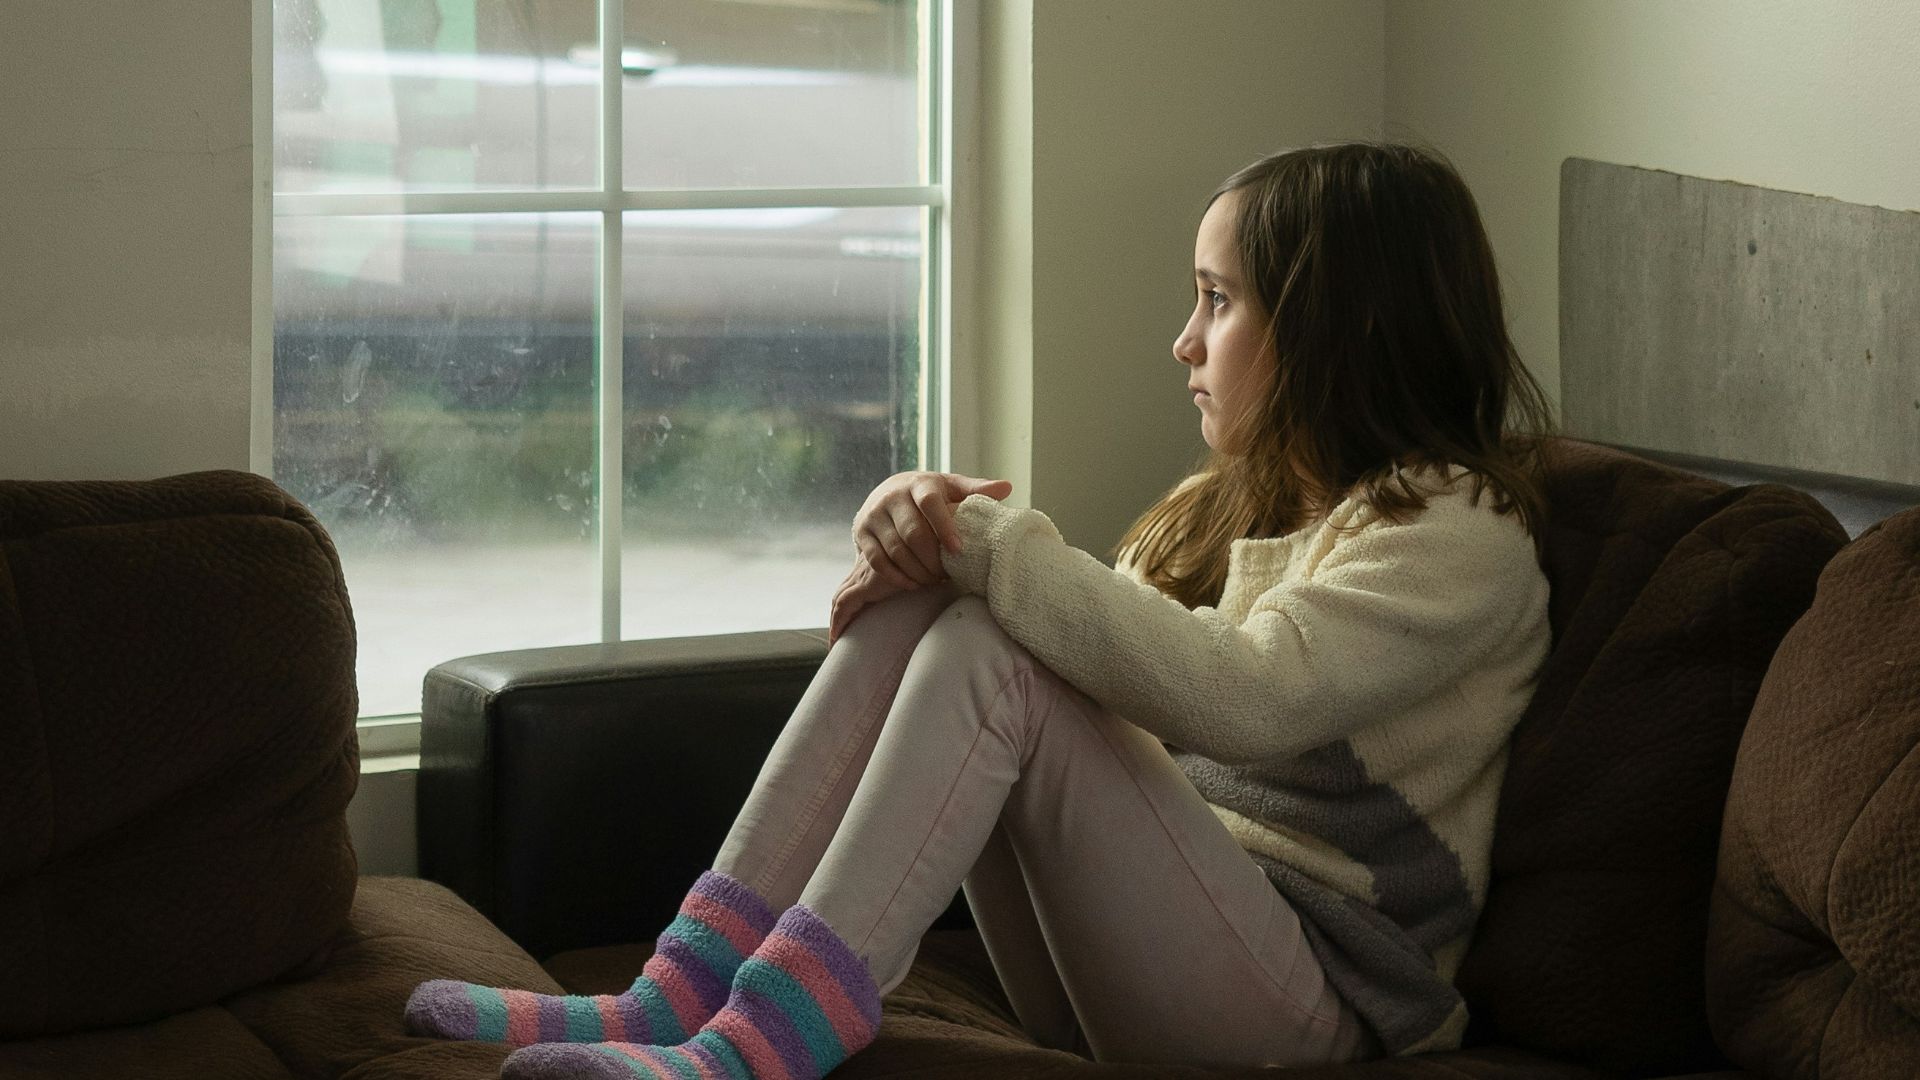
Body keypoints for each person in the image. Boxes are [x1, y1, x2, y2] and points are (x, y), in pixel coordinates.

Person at [404, 140, 1555, 1079]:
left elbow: (1245, 698)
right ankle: (674, 997)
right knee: (948, 618)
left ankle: (762, 1047)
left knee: (989, 637)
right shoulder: (1227, 510)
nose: (1184, 341)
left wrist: (982, 542)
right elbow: (1096, 664)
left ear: (1332, 327)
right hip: (1157, 957)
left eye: (1217, 301)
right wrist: (917, 526)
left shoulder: (1456, 541)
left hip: (1317, 1004)